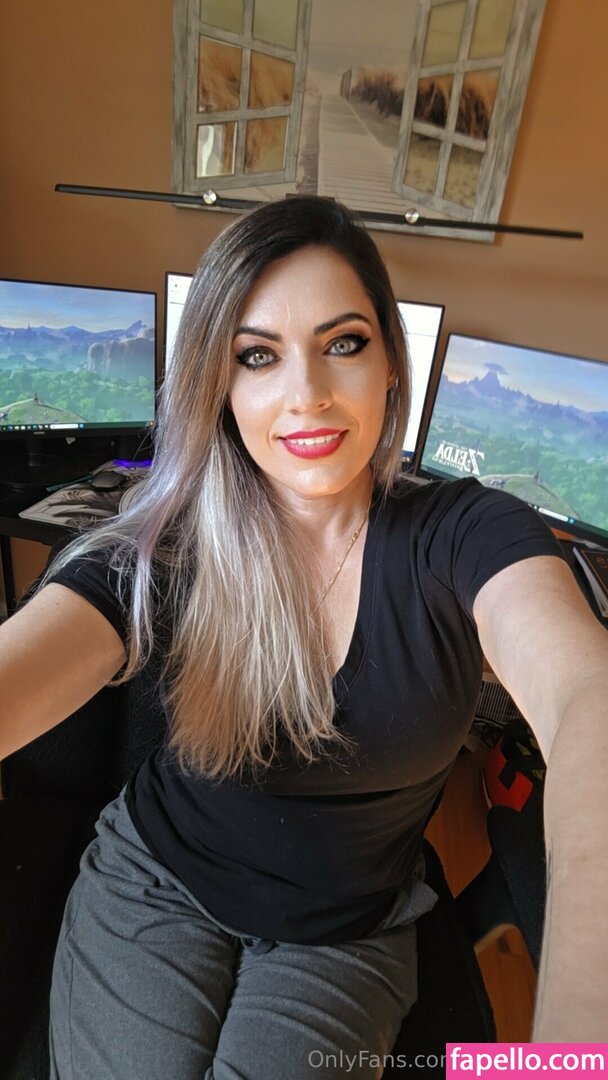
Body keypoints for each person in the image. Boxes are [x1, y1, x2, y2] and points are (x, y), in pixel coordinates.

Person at [0, 196, 606, 1078]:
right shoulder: (171, 546)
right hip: (155, 882)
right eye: (257, 355)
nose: (307, 394)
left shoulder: (469, 534)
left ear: (391, 364)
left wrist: (581, 1035)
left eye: (344, 343)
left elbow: (587, 696)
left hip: (346, 932)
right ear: (219, 384)